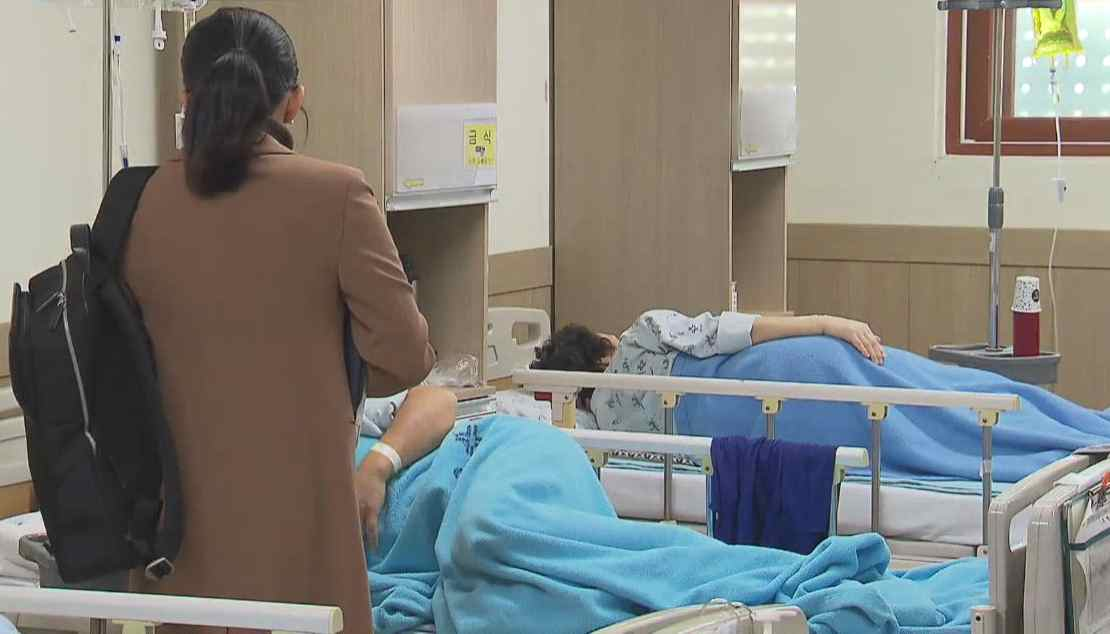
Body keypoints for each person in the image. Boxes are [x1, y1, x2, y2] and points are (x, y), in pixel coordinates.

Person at [123, 8, 435, 631]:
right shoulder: (338, 195)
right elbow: (405, 359)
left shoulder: (134, 203)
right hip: (301, 544)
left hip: (175, 545)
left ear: (187, 98)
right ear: (293, 101)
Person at [532, 310, 883, 432]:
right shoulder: (638, 338)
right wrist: (824, 323)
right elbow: (723, 331)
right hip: (760, 371)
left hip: (741, 432)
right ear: (598, 355)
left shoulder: (605, 427)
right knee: (867, 377)